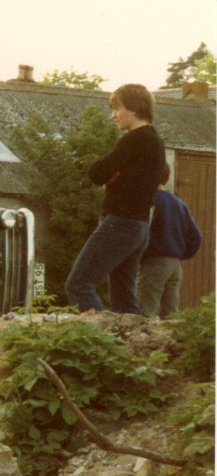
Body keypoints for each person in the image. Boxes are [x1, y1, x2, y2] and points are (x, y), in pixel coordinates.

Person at [65, 84, 165, 314]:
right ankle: (129, 345)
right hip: (138, 227)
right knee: (123, 297)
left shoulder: (134, 140)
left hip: (119, 224)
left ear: (134, 108)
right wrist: (114, 176)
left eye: (117, 108)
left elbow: (96, 173)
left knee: (79, 284)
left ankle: (97, 342)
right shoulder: (155, 141)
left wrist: (111, 179)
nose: (113, 115)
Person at [137, 162, 202, 317]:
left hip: (155, 262)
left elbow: (140, 230)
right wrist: (181, 255)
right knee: (171, 314)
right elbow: (196, 237)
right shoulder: (180, 204)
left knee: (145, 312)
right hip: (175, 265)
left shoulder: (149, 200)